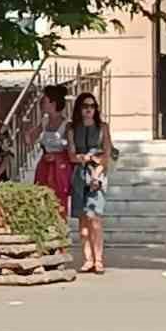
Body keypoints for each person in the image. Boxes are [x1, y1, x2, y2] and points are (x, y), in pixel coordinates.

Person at [68, 92, 111, 274]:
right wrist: (85, 158)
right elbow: (71, 155)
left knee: (95, 218)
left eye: (92, 106)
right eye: (85, 106)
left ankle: (99, 259)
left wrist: (97, 175)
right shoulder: (72, 128)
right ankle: (87, 259)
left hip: (97, 174)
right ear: (79, 108)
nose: (89, 109)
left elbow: (107, 154)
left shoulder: (103, 127)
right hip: (79, 174)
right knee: (83, 221)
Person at [33, 85, 71, 220]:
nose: (41, 103)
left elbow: (71, 148)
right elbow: (30, 139)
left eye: (44, 100)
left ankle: (61, 230)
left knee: (59, 199)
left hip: (59, 167)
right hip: (44, 165)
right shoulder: (44, 121)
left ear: (53, 103)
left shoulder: (66, 125)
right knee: (42, 199)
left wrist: (57, 157)